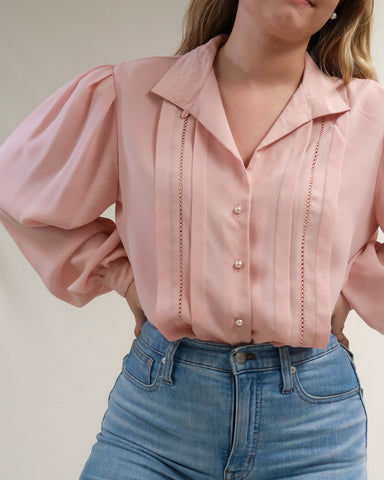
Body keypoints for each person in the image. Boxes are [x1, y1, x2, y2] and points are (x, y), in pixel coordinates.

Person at [0, 0, 383, 478]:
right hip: (155, 422)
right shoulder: (132, 93)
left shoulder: (371, 116)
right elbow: (15, 186)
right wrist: (123, 277)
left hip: (313, 432)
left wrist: (350, 285)